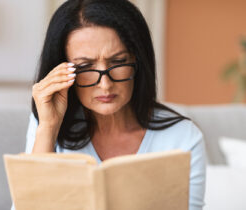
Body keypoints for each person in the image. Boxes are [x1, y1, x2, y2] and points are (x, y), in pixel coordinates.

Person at [11, 0, 206, 209]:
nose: (105, 84)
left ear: (137, 62)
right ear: (62, 70)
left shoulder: (182, 137)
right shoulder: (46, 127)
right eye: (85, 66)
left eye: (119, 62)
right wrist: (48, 129)